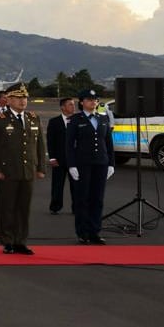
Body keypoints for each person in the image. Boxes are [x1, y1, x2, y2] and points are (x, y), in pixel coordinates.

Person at [0, 82, 47, 254]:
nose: (23, 101)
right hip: (8, 171)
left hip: (28, 170)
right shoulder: (0, 119)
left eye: (25, 97)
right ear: (9, 100)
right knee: (7, 207)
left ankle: (20, 240)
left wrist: (41, 167)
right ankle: (7, 240)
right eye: (18, 98)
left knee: (24, 208)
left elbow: (40, 145)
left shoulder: (33, 118)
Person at [65, 89, 115, 245]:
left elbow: (109, 143)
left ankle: (95, 232)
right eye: (89, 99)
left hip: (101, 163)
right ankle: (83, 232)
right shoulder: (75, 120)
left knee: (97, 199)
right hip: (83, 164)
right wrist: (71, 165)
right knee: (83, 199)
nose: (93, 102)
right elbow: (69, 144)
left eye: (95, 99)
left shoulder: (103, 118)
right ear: (82, 102)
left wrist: (111, 164)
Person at [46, 97, 78, 216]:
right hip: (59, 159)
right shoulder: (54, 122)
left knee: (76, 185)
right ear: (62, 107)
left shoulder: (79, 121)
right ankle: (55, 207)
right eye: (70, 104)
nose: (73, 107)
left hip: (75, 160)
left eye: (73, 104)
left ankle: (76, 208)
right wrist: (52, 157)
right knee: (57, 185)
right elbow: (50, 141)